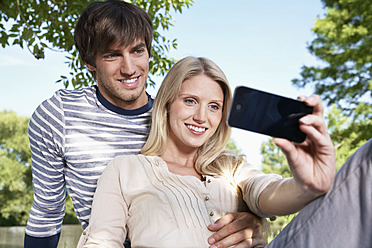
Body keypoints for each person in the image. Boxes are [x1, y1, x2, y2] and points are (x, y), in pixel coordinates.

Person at [24, 1, 266, 247]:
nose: (129, 69)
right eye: (112, 55)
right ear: (90, 63)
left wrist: (249, 222)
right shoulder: (59, 115)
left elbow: (218, 184)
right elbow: (47, 211)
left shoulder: (178, 119)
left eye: (138, 51)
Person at [79, 56, 366, 248]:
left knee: (366, 160)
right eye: (190, 101)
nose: (202, 117)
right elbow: (101, 242)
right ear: (166, 105)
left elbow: (268, 193)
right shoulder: (125, 170)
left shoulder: (229, 166)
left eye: (214, 106)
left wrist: (306, 187)